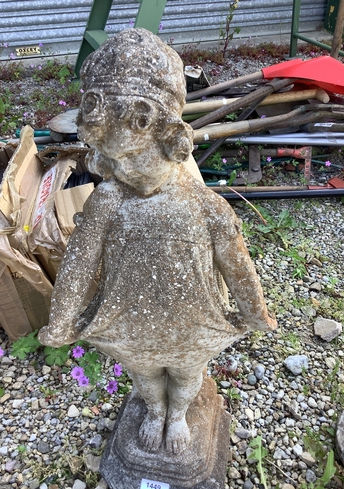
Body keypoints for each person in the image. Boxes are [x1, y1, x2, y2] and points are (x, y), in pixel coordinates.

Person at [38, 27, 277, 454]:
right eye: (108, 159)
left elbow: (235, 262)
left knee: (187, 373)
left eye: (128, 157)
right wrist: (61, 320)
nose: (117, 170)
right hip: (126, 315)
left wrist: (254, 311)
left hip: (192, 316)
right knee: (145, 373)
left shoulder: (206, 206)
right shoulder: (108, 201)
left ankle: (180, 413)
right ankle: (153, 410)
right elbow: (79, 262)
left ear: (166, 136)